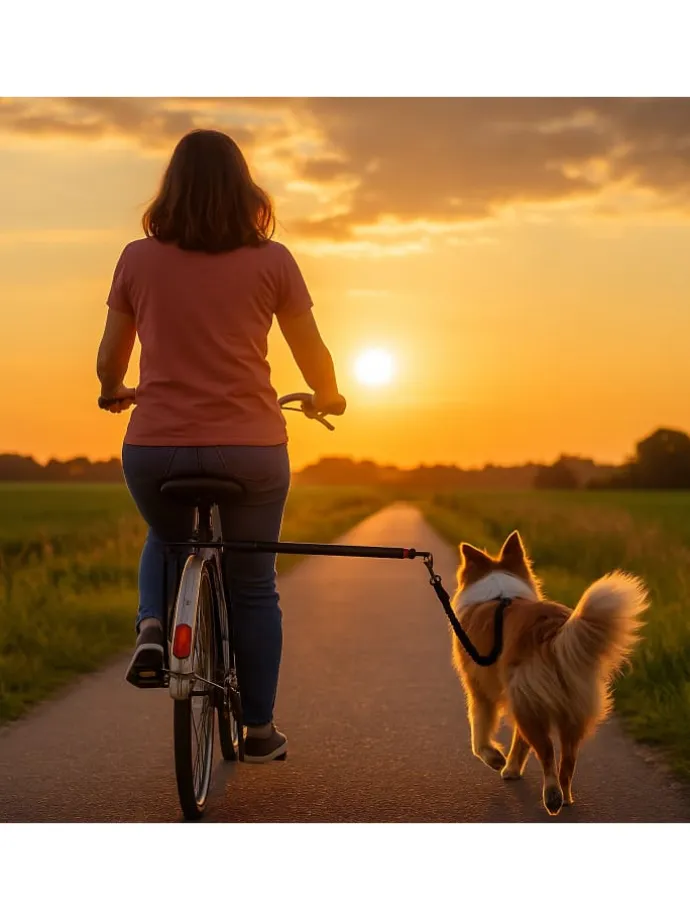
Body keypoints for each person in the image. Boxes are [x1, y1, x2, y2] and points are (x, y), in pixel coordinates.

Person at [96, 129, 346, 763]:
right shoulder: (273, 261)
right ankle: (258, 731)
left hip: (156, 447)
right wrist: (328, 394)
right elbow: (310, 351)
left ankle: (154, 628)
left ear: (170, 189)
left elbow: (109, 359)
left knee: (168, 536)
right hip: (251, 448)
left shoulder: (136, 258)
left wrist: (114, 390)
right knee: (254, 585)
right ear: (246, 190)